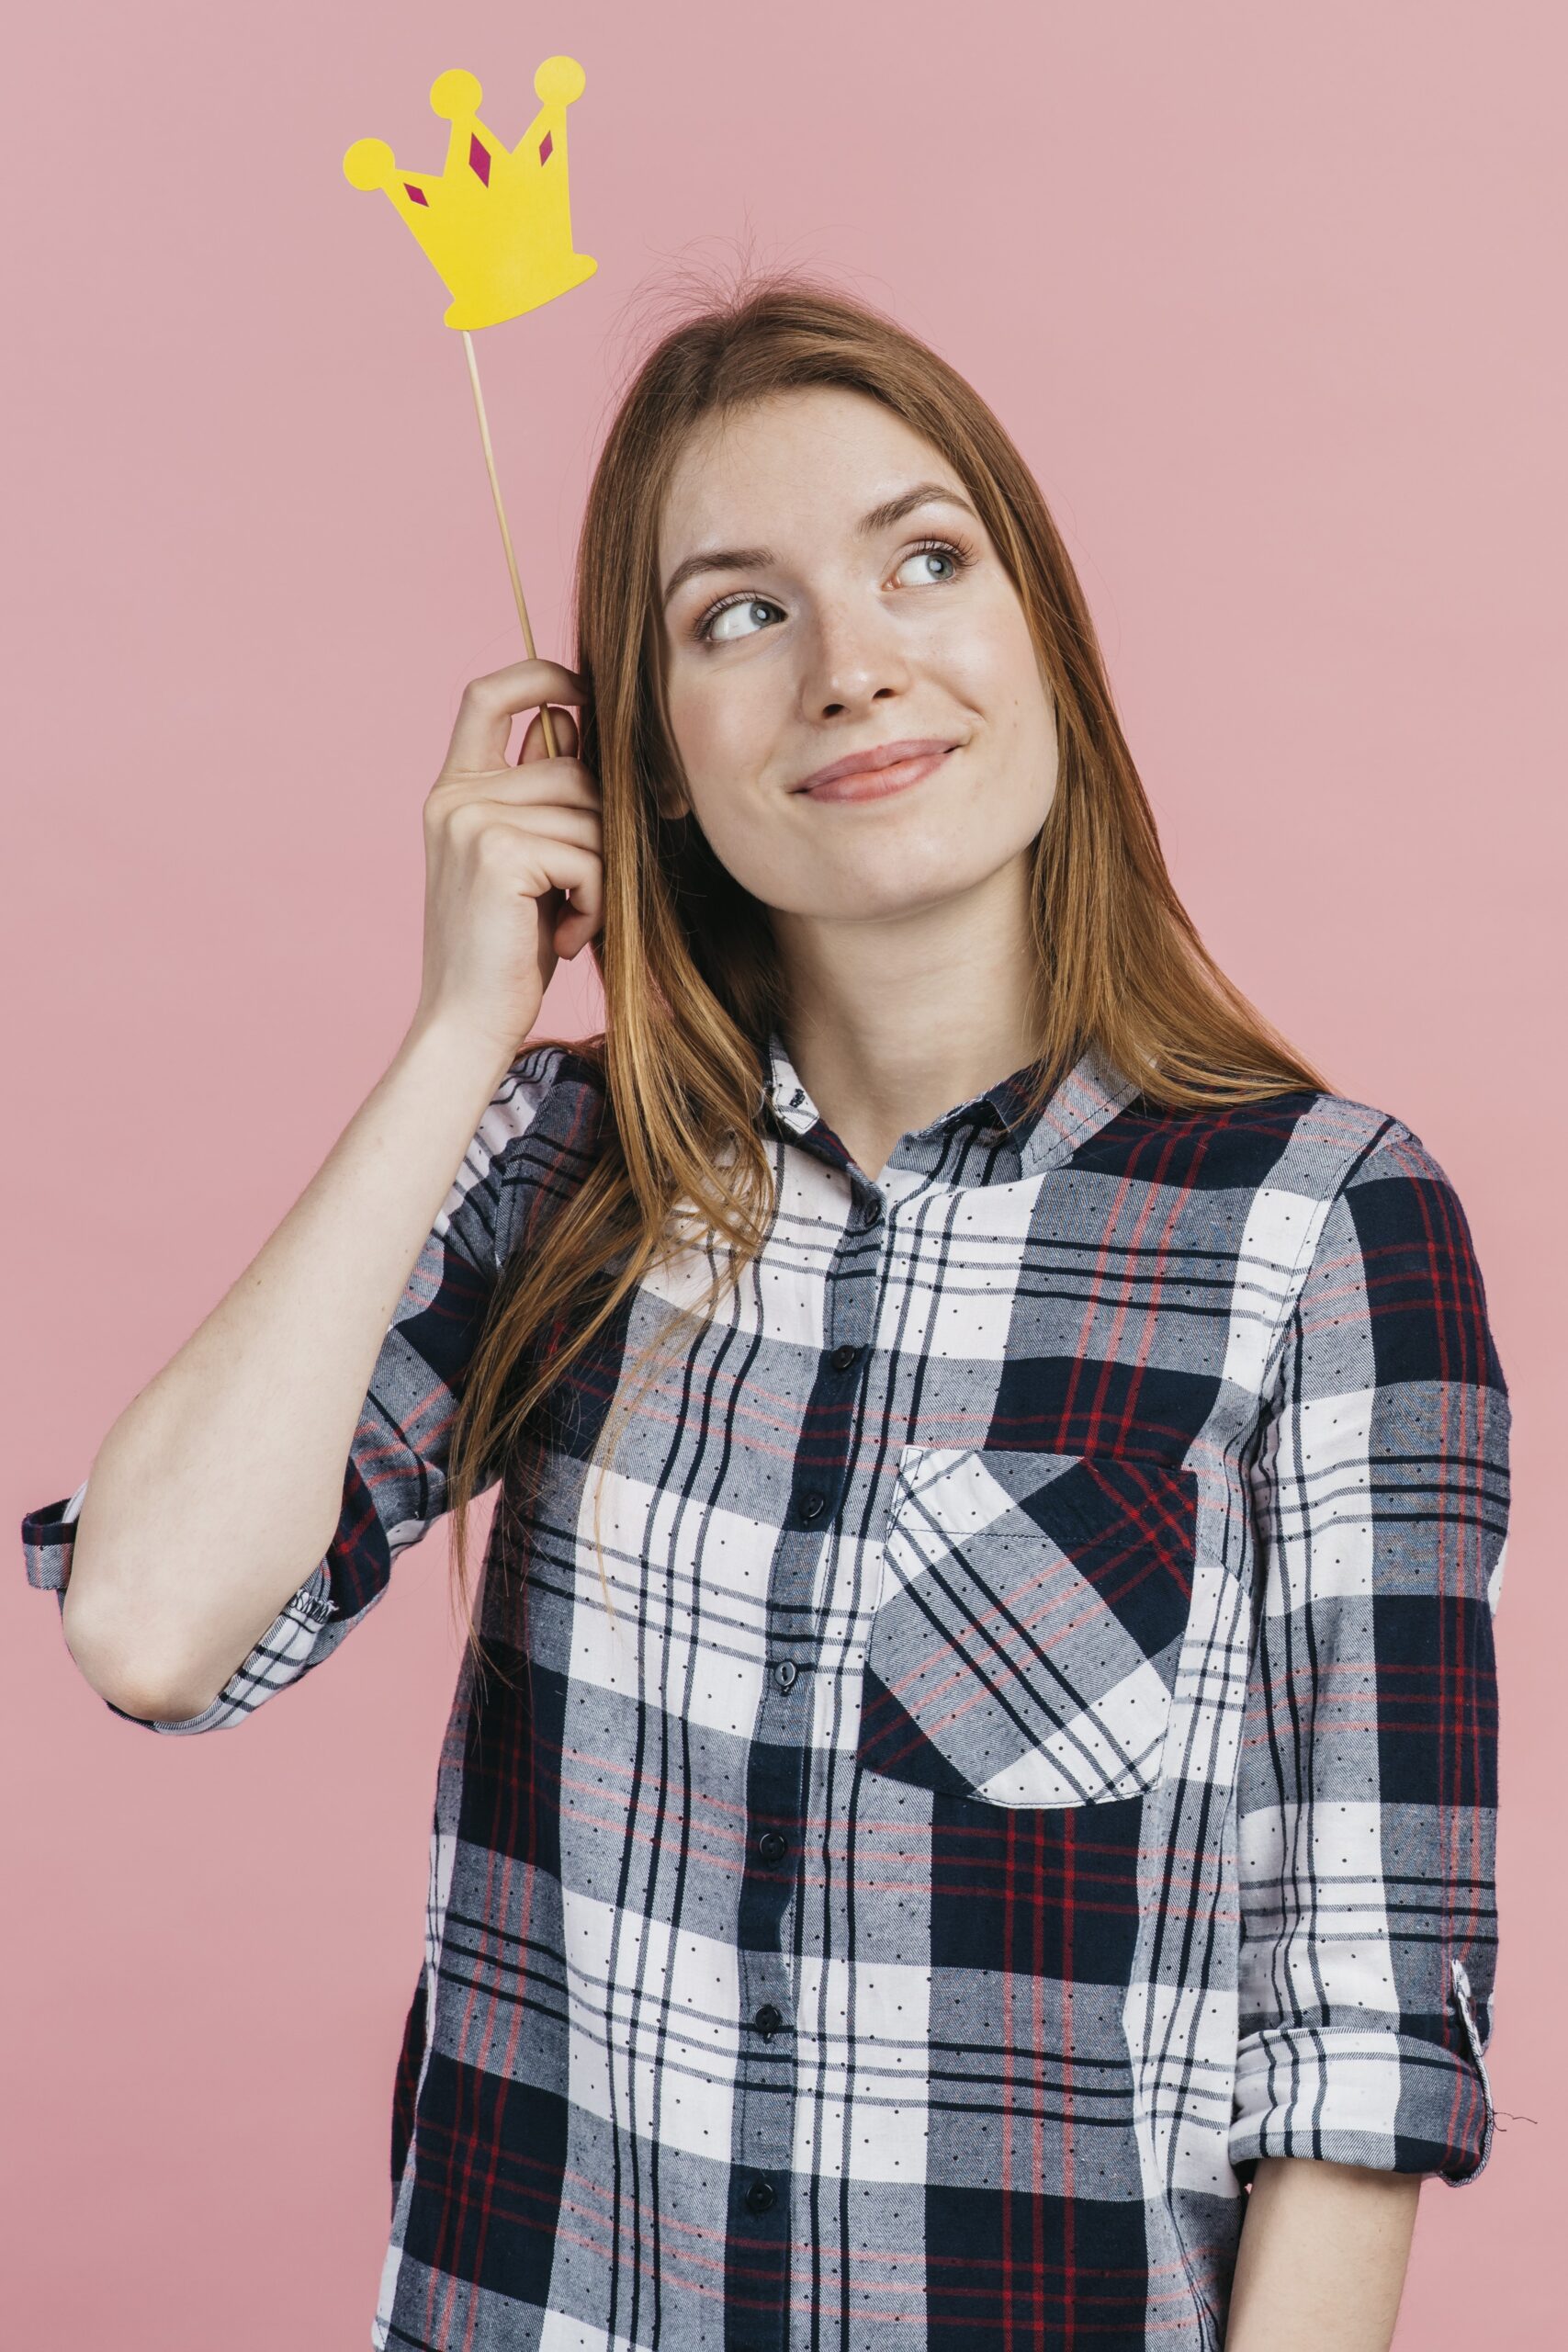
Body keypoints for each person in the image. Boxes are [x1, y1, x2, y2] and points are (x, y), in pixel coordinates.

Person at [22, 273, 1508, 2352]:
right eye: (739, 612)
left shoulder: (1318, 1227)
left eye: (922, 558)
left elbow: (1355, 2045)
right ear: (647, 751)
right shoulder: (556, 1170)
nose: (852, 662)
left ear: (1041, 640)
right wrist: (467, 1024)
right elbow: (152, 1625)